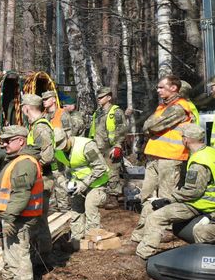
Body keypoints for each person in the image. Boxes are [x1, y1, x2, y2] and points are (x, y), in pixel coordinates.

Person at [131, 75, 197, 243]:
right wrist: (150, 125)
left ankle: (164, 230)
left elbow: (152, 125)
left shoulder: (179, 108)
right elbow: (146, 125)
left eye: (161, 87)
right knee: (146, 195)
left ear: (173, 88)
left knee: (165, 196)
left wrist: (150, 126)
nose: (158, 90)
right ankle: (142, 232)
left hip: (170, 157)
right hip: (155, 156)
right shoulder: (163, 106)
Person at [133, 124, 215, 259]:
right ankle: (139, 244)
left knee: (156, 217)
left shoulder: (198, 162)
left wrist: (167, 199)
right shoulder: (209, 152)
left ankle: (143, 256)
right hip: (202, 202)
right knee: (151, 209)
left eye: (182, 137)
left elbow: (193, 192)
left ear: (186, 140)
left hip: (200, 204)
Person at [0, 126, 45, 280]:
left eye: (8, 141)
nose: (4, 144)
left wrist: (9, 218)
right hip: (14, 216)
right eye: (3, 141)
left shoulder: (24, 163)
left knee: (19, 259)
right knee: (11, 253)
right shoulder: (18, 160)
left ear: (21, 141)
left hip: (19, 218)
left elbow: (21, 194)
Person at [57, 127, 110, 243]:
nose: (63, 148)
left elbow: (100, 167)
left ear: (68, 137)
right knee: (76, 208)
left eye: (64, 145)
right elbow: (57, 171)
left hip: (97, 183)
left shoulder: (87, 146)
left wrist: (84, 184)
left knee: (90, 206)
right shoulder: (57, 150)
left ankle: (92, 238)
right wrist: (64, 183)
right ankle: (77, 238)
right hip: (76, 183)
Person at [21, 93, 57, 258]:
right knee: (37, 219)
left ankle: (42, 256)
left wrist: (31, 167)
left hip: (42, 180)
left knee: (39, 220)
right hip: (38, 179)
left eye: (23, 108)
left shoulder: (40, 128)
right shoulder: (36, 126)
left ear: (27, 108)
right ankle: (40, 254)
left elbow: (47, 156)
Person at [90, 86, 129, 197]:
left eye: (101, 97)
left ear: (109, 98)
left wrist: (118, 146)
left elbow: (122, 130)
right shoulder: (97, 113)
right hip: (97, 148)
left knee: (113, 174)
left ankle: (114, 197)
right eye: (98, 97)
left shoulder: (116, 112)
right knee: (99, 173)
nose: (99, 99)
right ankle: (102, 197)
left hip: (110, 148)